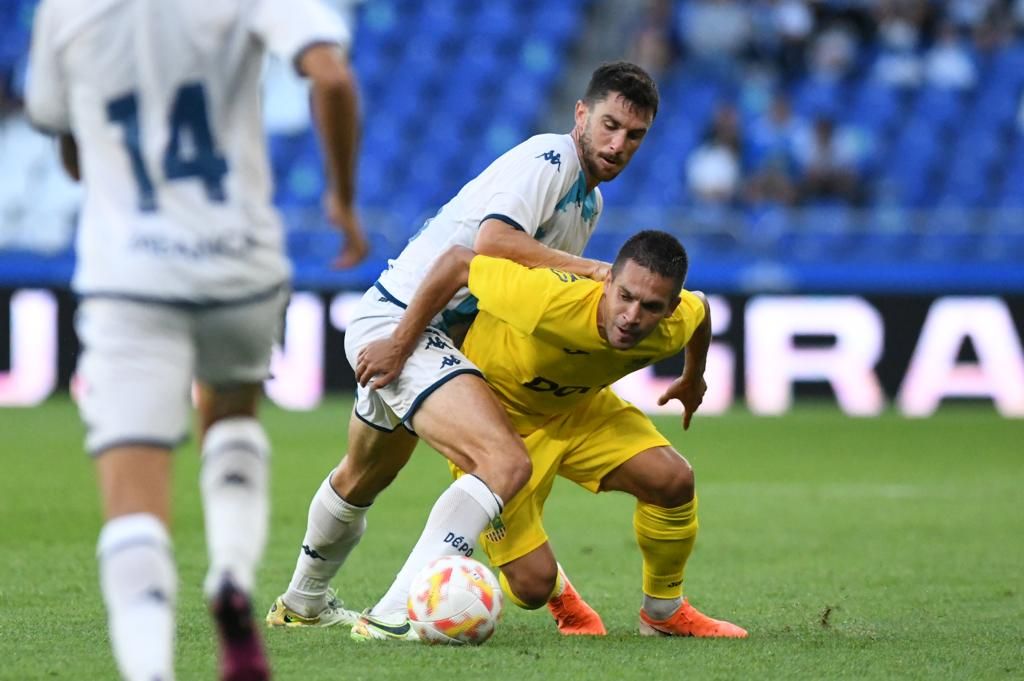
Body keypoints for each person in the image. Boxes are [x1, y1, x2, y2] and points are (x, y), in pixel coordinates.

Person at [25, 1, 364, 679]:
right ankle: (233, 574)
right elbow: (331, 77)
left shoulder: (64, 10)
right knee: (231, 414)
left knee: (134, 501)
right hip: (239, 264)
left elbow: (64, 137)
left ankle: (151, 670)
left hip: (130, 278)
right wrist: (343, 202)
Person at [265, 62, 659, 640]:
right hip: (406, 325)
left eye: (634, 136)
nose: (618, 144)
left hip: (419, 331)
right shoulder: (551, 160)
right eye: (609, 125)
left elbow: (521, 292)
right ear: (581, 114)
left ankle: (301, 603)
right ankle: (395, 616)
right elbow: (493, 245)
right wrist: (598, 271)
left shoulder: (588, 205)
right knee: (504, 463)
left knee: (364, 475)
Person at [356, 231, 748, 639]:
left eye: (651, 306)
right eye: (625, 296)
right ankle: (563, 596)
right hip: (498, 428)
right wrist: (399, 344)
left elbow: (700, 308)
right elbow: (457, 262)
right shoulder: (546, 301)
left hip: (579, 411)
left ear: (669, 310)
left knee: (674, 480)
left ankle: (663, 613)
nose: (632, 316)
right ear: (607, 282)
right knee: (530, 587)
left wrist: (693, 378)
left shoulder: (675, 322)